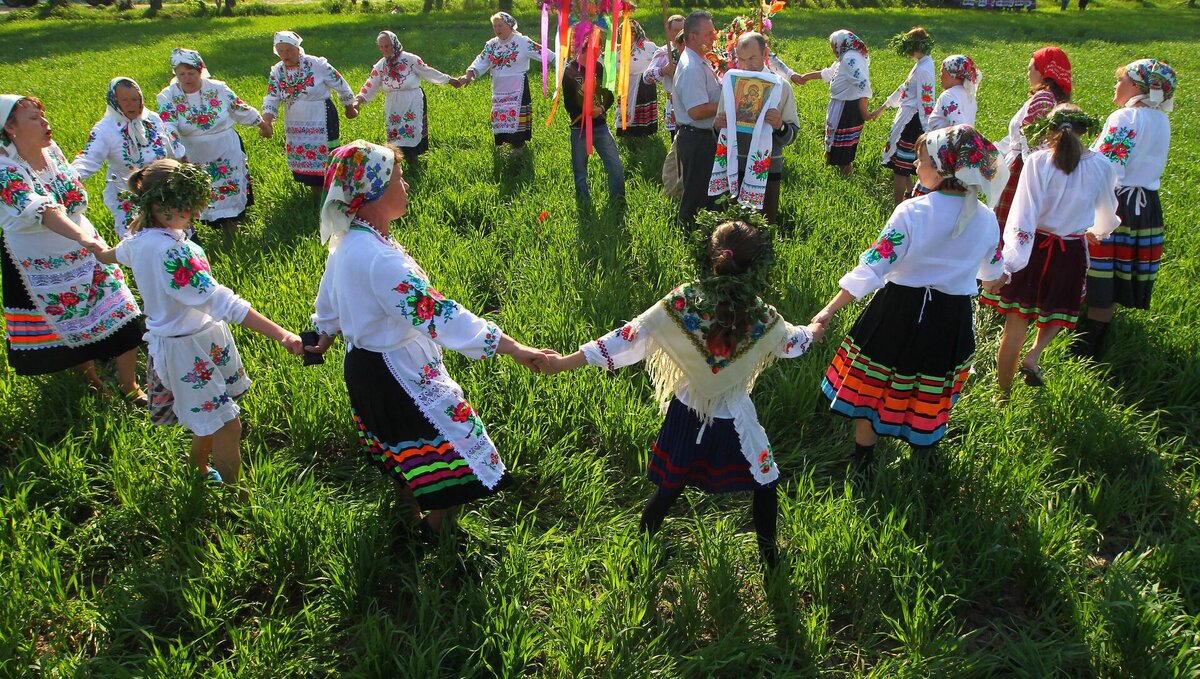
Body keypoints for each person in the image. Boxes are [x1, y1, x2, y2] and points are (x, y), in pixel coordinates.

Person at [541, 218, 824, 569]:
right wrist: (813, 331)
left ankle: (638, 555)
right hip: (734, 418)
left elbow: (630, 336)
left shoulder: (684, 300)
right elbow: (791, 343)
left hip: (687, 412)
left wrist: (565, 362)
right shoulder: (760, 314)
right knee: (765, 482)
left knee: (670, 487)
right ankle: (770, 558)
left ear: (710, 256)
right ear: (757, 264)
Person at [307, 140, 550, 534]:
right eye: (398, 180)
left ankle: (410, 512)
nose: (405, 187)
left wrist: (324, 333)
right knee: (454, 445)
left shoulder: (352, 240)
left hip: (366, 367)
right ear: (372, 193)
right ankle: (439, 531)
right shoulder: (378, 259)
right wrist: (513, 347)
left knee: (402, 444)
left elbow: (329, 299)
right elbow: (439, 315)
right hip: (397, 373)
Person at [81, 159, 304, 487]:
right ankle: (236, 496)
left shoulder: (139, 240)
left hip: (194, 340)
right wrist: (282, 334)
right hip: (189, 347)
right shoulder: (171, 254)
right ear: (159, 205)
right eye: (185, 206)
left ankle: (198, 470)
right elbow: (222, 301)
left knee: (213, 418)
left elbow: (111, 254)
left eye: (194, 205)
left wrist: (94, 247)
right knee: (229, 424)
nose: (194, 213)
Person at [813, 125, 1005, 468]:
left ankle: (863, 462)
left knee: (873, 390)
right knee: (929, 387)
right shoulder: (988, 219)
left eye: (922, 161)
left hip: (897, 312)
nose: (917, 167)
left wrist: (829, 310)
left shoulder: (912, 212)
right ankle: (921, 456)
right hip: (951, 319)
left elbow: (873, 266)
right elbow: (991, 279)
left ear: (943, 167)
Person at [0, 95, 144, 400]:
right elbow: (44, 210)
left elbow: (72, 195)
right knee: (74, 328)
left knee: (126, 314)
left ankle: (129, 386)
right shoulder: (3, 169)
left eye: (43, 115)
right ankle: (94, 382)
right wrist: (84, 238)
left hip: (87, 252)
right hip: (42, 262)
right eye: (34, 119)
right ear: (10, 127)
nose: (45, 123)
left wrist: (87, 240)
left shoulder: (51, 150)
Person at [981, 105, 1119, 391]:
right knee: (1058, 309)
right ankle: (1034, 354)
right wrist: (1096, 231)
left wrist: (1010, 263)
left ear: (1048, 130)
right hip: (1070, 253)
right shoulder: (1103, 166)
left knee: (1014, 330)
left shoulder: (1037, 161)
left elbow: (1023, 216)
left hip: (1033, 250)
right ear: (1085, 132)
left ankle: (1002, 397)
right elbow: (1107, 213)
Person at [1076, 59, 1177, 359]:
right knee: (1114, 278)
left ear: (1136, 86)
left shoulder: (1125, 117)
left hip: (1115, 202)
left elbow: (1106, 166)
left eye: (1120, 80)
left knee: (1098, 276)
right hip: (1145, 207)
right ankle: (1095, 344)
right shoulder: (1161, 120)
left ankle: (1085, 350)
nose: (1115, 85)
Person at [157, 48, 269, 243]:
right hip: (192, 151)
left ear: (200, 71)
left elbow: (239, 108)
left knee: (229, 187)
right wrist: (177, 152)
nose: (186, 78)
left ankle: (232, 231)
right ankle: (197, 235)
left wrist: (262, 124)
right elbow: (168, 125)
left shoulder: (218, 88)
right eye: (181, 73)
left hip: (225, 147)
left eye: (191, 73)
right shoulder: (167, 96)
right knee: (202, 191)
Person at [72, 77, 187, 238]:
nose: (131, 104)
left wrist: (186, 168)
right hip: (126, 191)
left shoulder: (152, 119)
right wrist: (68, 178)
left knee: (172, 235)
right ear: (114, 100)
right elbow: (88, 158)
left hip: (161, 188)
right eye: (124, 100)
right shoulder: (105, 129)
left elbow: (173, 148)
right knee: (138, 238)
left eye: (135, 99)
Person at [709, 32, 799, 225]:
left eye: (752, 58)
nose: (746, 66)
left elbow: (792, 134)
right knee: (730, 226)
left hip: (765, 168)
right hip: (732, 164)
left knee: (761, 225)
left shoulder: (780, 87)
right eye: (740, 60)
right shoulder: (731, 84)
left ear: (765, 52)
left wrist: (779, 125)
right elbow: (718, 131)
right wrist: (717, 125)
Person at [262, 31, 358, 192]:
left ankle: (334, 190)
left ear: (297, 48)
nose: (285, 55)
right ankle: (316, 192)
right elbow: (272, 96)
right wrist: (266, 122)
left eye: (289, 50)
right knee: (304, 154)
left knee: (326, 154)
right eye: (280, 51)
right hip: (295, 121)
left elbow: (340, 83)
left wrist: (349, 106)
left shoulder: (317, 64)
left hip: (321, 115)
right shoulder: (277, 71)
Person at [993, 47, 1071, 237]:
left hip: (1023, 168)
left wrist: (1031, 174)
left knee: (1007, 227)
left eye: (1031, 68)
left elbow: (1033, 141)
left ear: (1044, 72)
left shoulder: (1043, 98)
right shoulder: (1051, 98)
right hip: (1026, 164)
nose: (1028, 73)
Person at [353, 31, 460, 163]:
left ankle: (413, 161)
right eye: (381, 47)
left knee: (411, 129)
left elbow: (427, 71)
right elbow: (370, 84)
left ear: (394, 44)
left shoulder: (410, 59)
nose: (384, 50)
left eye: (387, 46)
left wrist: (449, 80)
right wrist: (359, 99)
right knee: (394, 132)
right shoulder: (381, 65)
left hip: (412, 100)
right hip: (393, 104)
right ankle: (396, 164)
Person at [460, 12, 554, 153]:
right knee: (501, 117)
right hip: (499, 88)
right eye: (494, 26)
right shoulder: (491, 45)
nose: (497, 29)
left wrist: (562, 63)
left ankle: (519, 148)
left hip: (518, 87)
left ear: (510, 26)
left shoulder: (521, 41)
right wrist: (469, 74)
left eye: (500, 25)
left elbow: (542, 52)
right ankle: (504, 146)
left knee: (516, 118)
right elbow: (481, 60)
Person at [794, 30, 877, 176]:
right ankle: (830, 170)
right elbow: (828, 73)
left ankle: (846, 175)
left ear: (841, 44)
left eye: (833, 46)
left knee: (842, 147)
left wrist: (864, 111)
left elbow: (863, 84)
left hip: (848, 108)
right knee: (833, 140)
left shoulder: (850, 58)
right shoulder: (845, 57)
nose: (833, 50)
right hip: (840, 105)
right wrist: (806, 77)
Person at [561, 35, 624, 207]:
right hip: (579, 128)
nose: (600, 53)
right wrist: (585, 112)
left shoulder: (599, 67)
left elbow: (609, 94)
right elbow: (569, 104)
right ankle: (584, 204)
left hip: (601, 127)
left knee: (615, 165)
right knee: (580, 170)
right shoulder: (569, 71)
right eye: (596, 50)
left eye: (600, 49)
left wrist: (601, 109)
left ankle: (618, 201)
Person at [875, 27, 936, 205]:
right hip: (908, 117)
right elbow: (904, 88)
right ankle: (910, 195)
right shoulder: (921, 64)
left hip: (913, 121)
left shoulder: (925, 68)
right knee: (900, 162)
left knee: (900, 168)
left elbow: (926, 100)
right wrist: (883, 107)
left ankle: (898, 206)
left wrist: (927, 128)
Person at [672, 11, 722, 228]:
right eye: (709, 34)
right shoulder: (692, 67)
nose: (714, 37)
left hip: (702, 137)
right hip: (697, 139)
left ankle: (705, 236)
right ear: (692, 37)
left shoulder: (699, 59)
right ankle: (688, 236)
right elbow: (697, 111)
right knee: (696, 195)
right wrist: (730, 104)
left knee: (706, 192)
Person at [642, 15, 685, 140]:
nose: (680, 33)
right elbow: (646, 77)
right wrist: (663, 70)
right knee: (676, 141)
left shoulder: (694, 50)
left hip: (694, 103)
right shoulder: (664, 52)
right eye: (676, 30)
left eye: (683, 29)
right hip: (674, 103)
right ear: (669, 32)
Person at [615, 20, 659, 138]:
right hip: (625, 84)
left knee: (640, 107)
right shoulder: (618, 50)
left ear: (635, 33)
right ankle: (626, 133)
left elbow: (661, 56)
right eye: (620, 33)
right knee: (625, 107)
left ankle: (643, 134)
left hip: (643, 85)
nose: (622, 36)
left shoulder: (647, 46)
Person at [927, 54, 980, 131]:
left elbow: (959, 126)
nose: (940, 76)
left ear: (952, 74)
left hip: (943, 142)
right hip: (964, 141)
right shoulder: (970, 96)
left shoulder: (948, 95)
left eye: (942, 72)